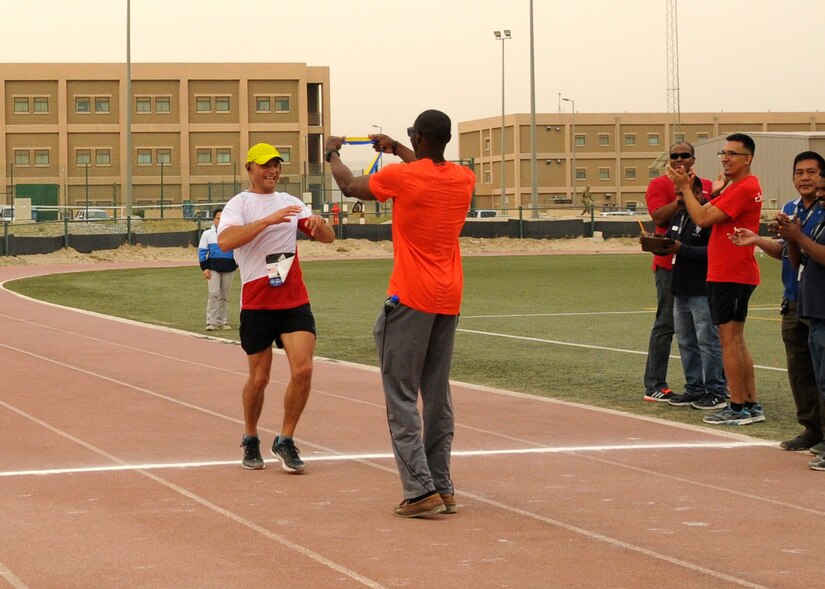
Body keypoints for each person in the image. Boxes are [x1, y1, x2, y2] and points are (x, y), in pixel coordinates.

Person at [325, 110, 475, 518]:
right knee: (437, 394)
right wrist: (396, 148)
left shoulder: (405, 178)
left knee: (402, 395)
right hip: (449, 298)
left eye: (412, 135)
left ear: (422, 137)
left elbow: (350, 186)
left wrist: (331, 155)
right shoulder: (463, 177)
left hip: (410, 297)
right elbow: (428, 167)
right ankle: (441, 486)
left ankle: (418, 489)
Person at [217, 143, 335, 473]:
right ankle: (251, 437)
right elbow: (226, 242)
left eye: (277, 166)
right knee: (259, 378)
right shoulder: (238, 205)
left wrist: (319, 225)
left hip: (293, 299)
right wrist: (267, 221)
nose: (273, 171)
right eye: (266, 165)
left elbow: (328, 238)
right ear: (250, 168)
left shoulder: (291, 203)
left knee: (304, 370)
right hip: (257, 301)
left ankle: (285, 439)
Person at [730, 152, 825, 449]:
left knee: (822, 370)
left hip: (820, 301)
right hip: (795, 298)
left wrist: (796, 236)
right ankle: (811, 429)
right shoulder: (790, 208)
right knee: (799, 371)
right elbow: (787, 253)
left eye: (811, 172)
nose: (805, 178)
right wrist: (757, 240)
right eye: (799, 173)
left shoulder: (823, 208)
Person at [667, 133, 763, 426]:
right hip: (729, 271)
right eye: (723, 153)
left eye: (733, 154)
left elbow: (702, 219)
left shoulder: (744, 187)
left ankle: (737, 406)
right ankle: (748, 403)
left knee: (729, 341)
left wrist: (684, 187)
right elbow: (708, 211)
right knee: (735, 340)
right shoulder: (738, 187)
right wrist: (712, 194)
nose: (726, 158)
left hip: (731, 272)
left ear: (747, 159)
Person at [643, 142, 713, 402]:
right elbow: (658, 217)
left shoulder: (705, 184)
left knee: (703, 329)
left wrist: (696, 195)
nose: (680, 159)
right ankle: (654, 384)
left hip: (697, 264)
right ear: (668, 160)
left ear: (693, 159)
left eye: (685, 155)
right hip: (667, 265)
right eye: (675, 156)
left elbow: (711, 212)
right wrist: (681, 199)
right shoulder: (659, 185)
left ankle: (705, 386)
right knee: (666, 324)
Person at [659, 176, 728, 410]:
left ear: (698, 193)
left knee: (707, 341)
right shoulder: (679, 215)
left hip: (702, 287)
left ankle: (716, 390)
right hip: (680, 287)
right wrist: (656, 243)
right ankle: (694, 387)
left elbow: (714, 251)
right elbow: (671, 239)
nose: (679, 199)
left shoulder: (709, 217)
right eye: (678, 194)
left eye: (683, 194)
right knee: (687, 341)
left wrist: (682, 249)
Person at [778, 172, 825, 469]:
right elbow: (800, 261)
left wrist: (799, 237)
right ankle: (815, 431)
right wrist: (791, 238)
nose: (820, 194)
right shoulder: (818, 221)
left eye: (824, 188)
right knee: (819, 380)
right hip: (813, 310)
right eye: (820, 189)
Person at [198, 208, 238, 331]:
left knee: (224, 296)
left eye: (222, 218)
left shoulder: (232, 233)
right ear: (213, 219)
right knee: (214, 294)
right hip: (213, 268)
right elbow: (202, 252)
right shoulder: (207, 234)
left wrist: (236, 264)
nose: (220, 221)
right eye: (217, 218)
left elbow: (237, 250)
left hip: (229, 268)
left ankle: (222, 321)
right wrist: (205, 268)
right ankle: (211, 322)